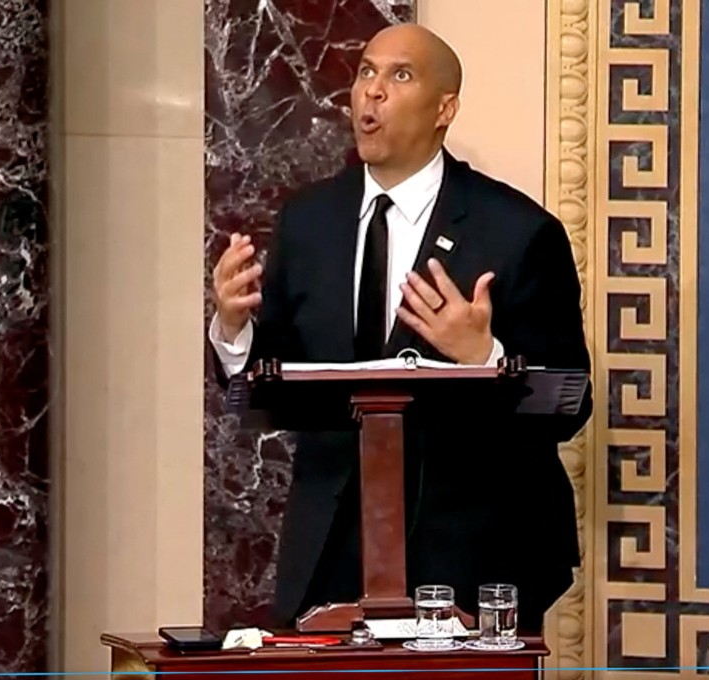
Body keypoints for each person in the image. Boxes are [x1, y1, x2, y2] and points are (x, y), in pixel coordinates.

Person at [208, 23, 591, 633]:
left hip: (475, 557)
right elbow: (275, 385)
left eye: (399, 75)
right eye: (365, 71)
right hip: (332, 554)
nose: (372, 92)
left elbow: (570, 404)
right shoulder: (308, 222)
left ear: (445, 109)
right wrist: (233, 331)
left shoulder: (518, 233)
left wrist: (483, 356)